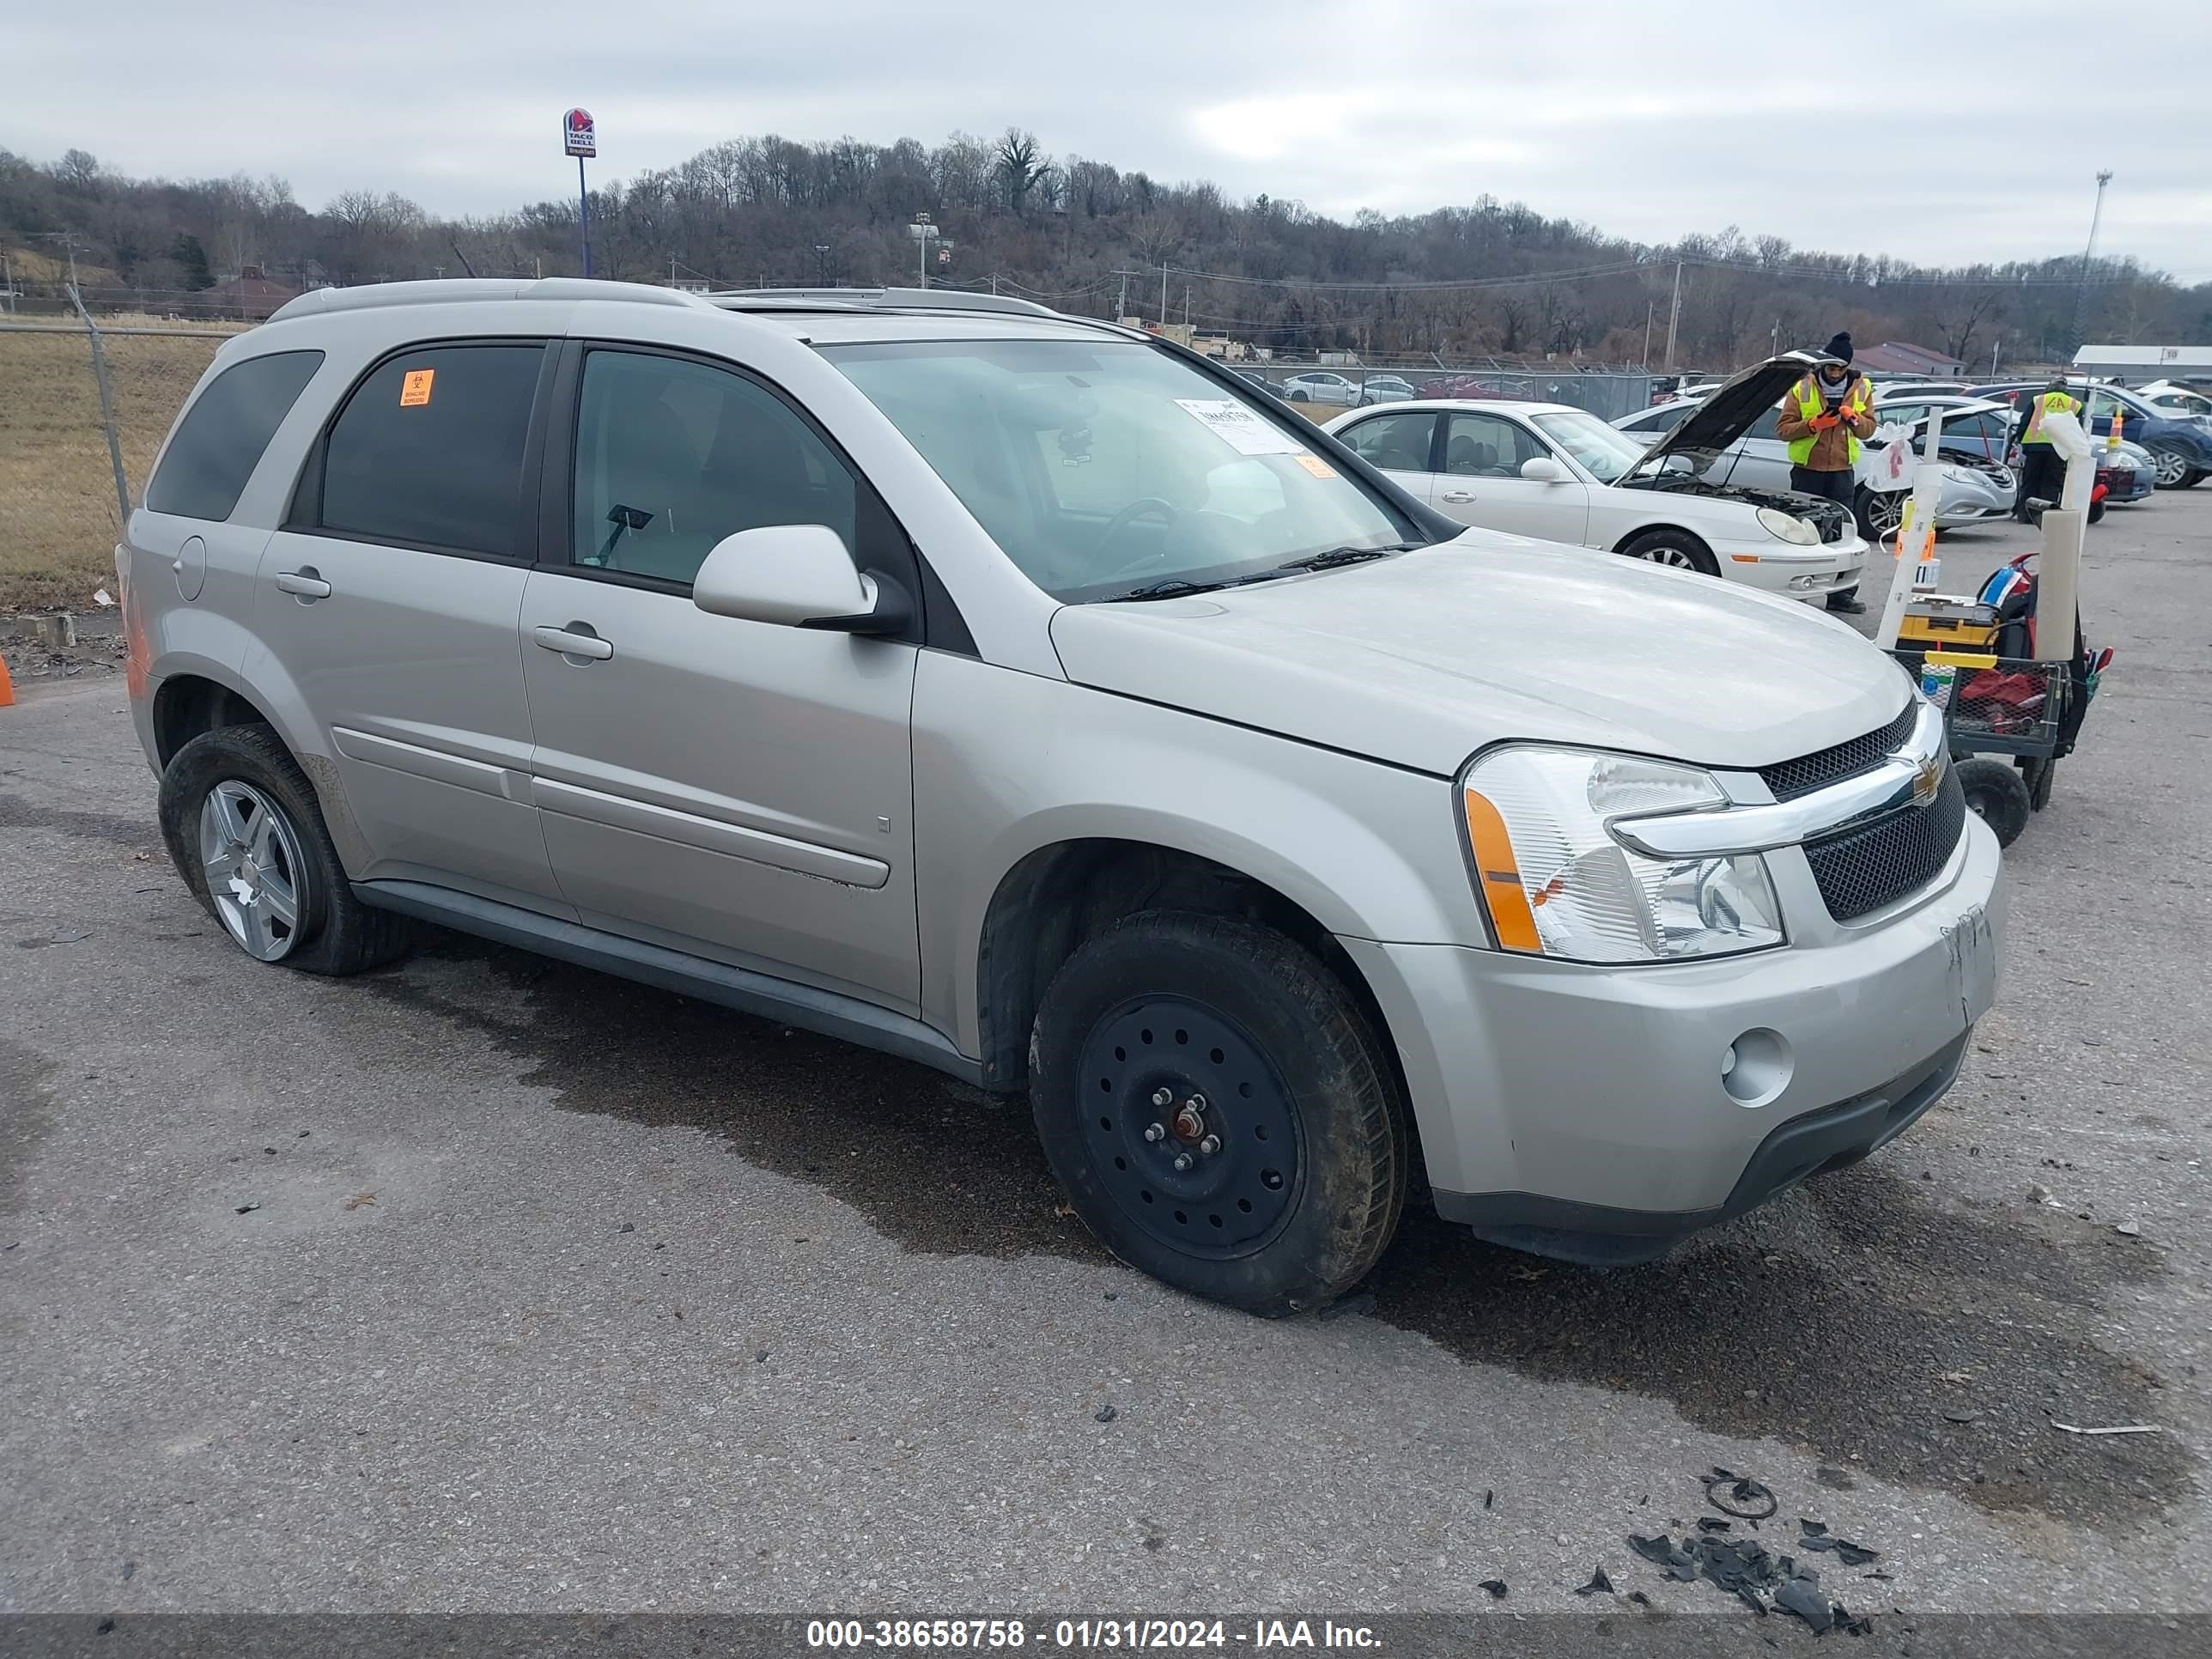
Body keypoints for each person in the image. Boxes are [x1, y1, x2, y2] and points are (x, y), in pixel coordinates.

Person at [1776, 332, 1877, 613]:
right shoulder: (1802, 387)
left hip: (1842, 471)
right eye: (1830, 367)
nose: (1834, 373)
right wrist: (1813, 425)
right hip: (1807, 470)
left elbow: (1870, 429)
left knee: (1843, 534)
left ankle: (1841, 595)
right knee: (1802, 533)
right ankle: (1798, 592)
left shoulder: (1862, 388)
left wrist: (1854, 420)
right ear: (1823, 364)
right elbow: (1783, 429)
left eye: (1839, 368)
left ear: (1847, 368)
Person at [2010, 376, 2081, 521]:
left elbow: (2025, 422)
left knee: (2030, 481)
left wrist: (2020, 441)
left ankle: (2025, 515)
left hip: (2035, 446)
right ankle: (2046, 518)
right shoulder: (2075, 404)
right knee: (2051, 483)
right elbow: (2077, 429)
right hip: (2059, 449)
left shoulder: (2039, 400)